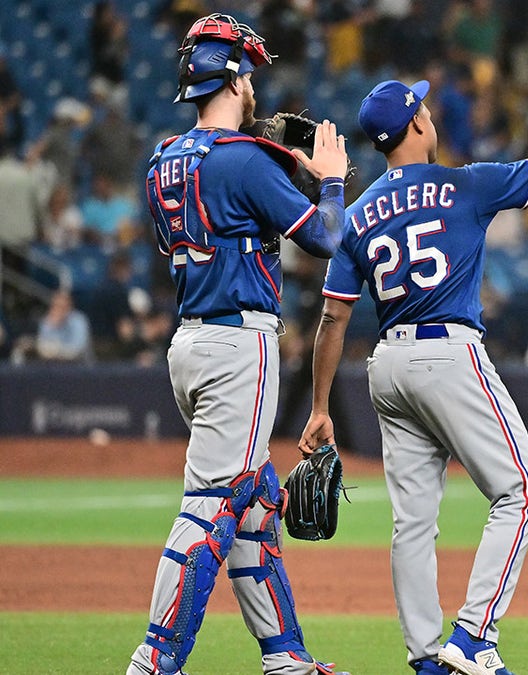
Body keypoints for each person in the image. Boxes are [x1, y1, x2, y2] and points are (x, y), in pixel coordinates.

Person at [298, 25, 528, 675]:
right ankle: (472, 636)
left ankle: (425, 655)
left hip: (384, 365)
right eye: (423, 107)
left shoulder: (357, 212)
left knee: (413, 519)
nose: (430, 111)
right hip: (447, 351)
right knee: (520, 491)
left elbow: (332, 317)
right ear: (414, 125)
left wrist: (320, 405)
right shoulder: (465, 184)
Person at [127, 13, 349, 675]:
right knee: (216, 503)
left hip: (191, 343)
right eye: (249, 72)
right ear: (235, 76)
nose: (255, 87)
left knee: (255, 504)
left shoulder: (163, 159)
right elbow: (328, 238)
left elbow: (183, 239)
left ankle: (285, 655)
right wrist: (330, 177)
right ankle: (155, 657)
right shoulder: (245, 159)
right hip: (237, 346)